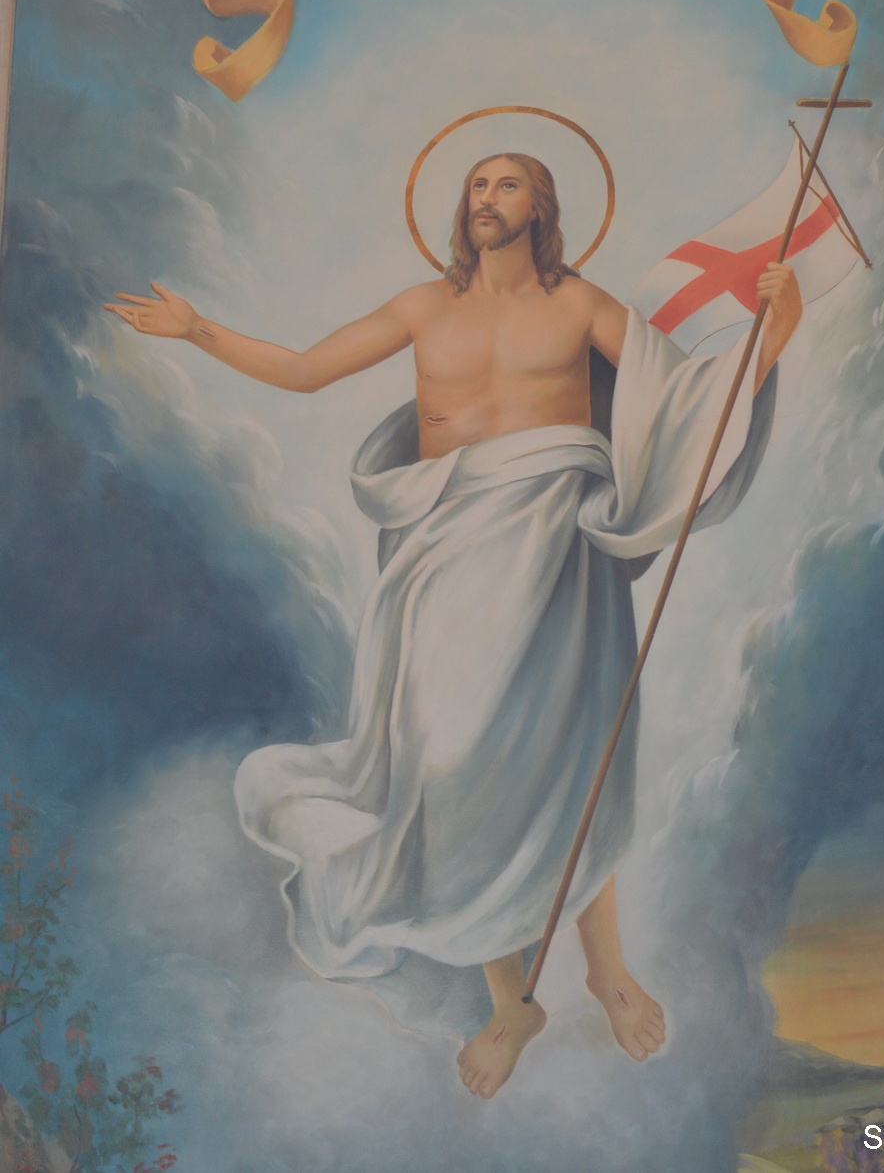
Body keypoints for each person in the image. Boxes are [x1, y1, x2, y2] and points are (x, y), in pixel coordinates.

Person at [106, 152, 801, 1099]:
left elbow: (683, 405)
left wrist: (775, 331)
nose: (486, 197)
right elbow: (306, 370)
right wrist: (197, 329)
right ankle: (512, 998)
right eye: (477, 184)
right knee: (442, 764)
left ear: (540, 207)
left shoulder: (580, 305)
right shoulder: (423, 307)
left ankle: (604, 970)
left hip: (556, 551)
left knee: (565, 752)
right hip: (441, 556)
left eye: (507, 185)